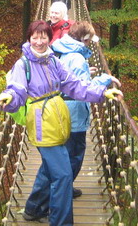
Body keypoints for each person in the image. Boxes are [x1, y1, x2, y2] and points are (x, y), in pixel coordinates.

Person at [0, 21, 123, 226]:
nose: (39, 42)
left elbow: (74, 85)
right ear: (29, 39)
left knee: (52, 169)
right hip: (41, 124)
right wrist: (9, 97)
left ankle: (34, 208)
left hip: (59, 120)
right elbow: (17, 88)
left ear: (49, 38)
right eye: (34, 37)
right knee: (63, 176)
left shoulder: (53, 61)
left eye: (43, 37)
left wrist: (101, 91)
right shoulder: (23, 64)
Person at [51, 22, 121, 199]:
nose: (90, 44)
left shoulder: (60, 49)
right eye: (90, 40)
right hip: (73, 113)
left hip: (58, 108)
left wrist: (86, 72)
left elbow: (69, 79)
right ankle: (62, 190)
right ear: (85, 39)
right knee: (74, 154)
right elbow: (82, 90)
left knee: (63, 153)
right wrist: (105, 79)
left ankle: (61, 188)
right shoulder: (77, 58)